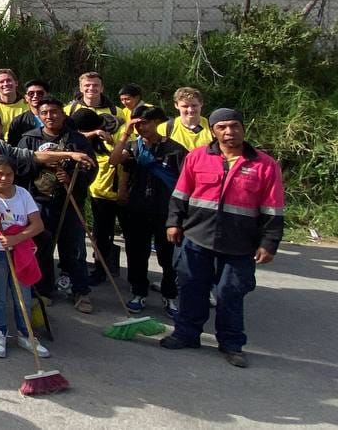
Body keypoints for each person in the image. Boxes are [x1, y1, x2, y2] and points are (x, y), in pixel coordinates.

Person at [162, 108, 285, 368]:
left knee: (230, 293)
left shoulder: (265, 165)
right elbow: (180, 194)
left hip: (239, 243)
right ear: (214, 131)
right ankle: (186, 334)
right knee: (191, 286)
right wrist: (174, 223)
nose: (229, 132)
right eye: (223, 128)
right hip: (197, 236)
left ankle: (231, 344)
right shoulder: (197, 157)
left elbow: (273, 208)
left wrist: (269, 242)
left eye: (235, 126)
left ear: (243, 128)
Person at [0, 109, 93, 332]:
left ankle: (32, 295)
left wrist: (68, 155)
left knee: (42, 239)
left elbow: (33, 156)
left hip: (7, 221)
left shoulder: (2, 148)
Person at [16, 100, 96, 312]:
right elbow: (20, 168)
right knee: (41, 246)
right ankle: (42, 289)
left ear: (63, 114)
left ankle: (81, 291)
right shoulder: (30, 139)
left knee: (74, 248)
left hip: (70, 202)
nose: (49, 116)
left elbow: (91, 169)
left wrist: (71, 178)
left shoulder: (77, 141)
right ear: (39, 116)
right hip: (38, 202)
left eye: (54, 112)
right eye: (44, 113)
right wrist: (39, 165)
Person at [108, 104, 187, 318]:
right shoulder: (133, 147)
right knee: (136, 253)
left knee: (168, 256)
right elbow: (113, 161)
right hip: (136, 209)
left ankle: (170, 295)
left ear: (156, 123)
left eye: (146, 123)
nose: (142, 128)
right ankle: (138, 292)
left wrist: (180, 215)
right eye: (138, 124)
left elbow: (184, 183)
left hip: (166, 211)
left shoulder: (175, 149)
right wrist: (125, 134)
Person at [0, 156, 50, 360]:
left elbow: (37, 224)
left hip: (19, 249)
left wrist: (16, 238)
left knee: (22, 294)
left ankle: (26, 334)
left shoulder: (22, 194)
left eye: (9, 174)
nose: (4, 178)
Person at [72, 106, 123, 288]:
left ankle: (111, 269)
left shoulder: (115, 136)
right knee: (101, 234)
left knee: (111, 235)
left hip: (120, 193)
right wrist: (93, 134)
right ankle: (100, 270)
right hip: (98, 192)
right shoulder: (88, 139)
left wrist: (103, 136)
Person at [159, 86, 213, 151]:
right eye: (185, 106)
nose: (190, 110)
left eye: (194, 105)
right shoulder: (165, 128)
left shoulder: (212, 127)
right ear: (176, 105)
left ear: (201, 104)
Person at [0, 69, 26, 138]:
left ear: (16, 83)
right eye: (1, 82)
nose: (5, 84)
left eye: (8, 80)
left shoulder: (28, 104)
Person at [6, 79, 49, 145]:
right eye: (31, 94)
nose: (35, 96)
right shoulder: (19, 121)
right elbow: (12, 147)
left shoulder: (59, 118)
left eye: (40, 93)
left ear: (47, 95)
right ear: (26, 98)